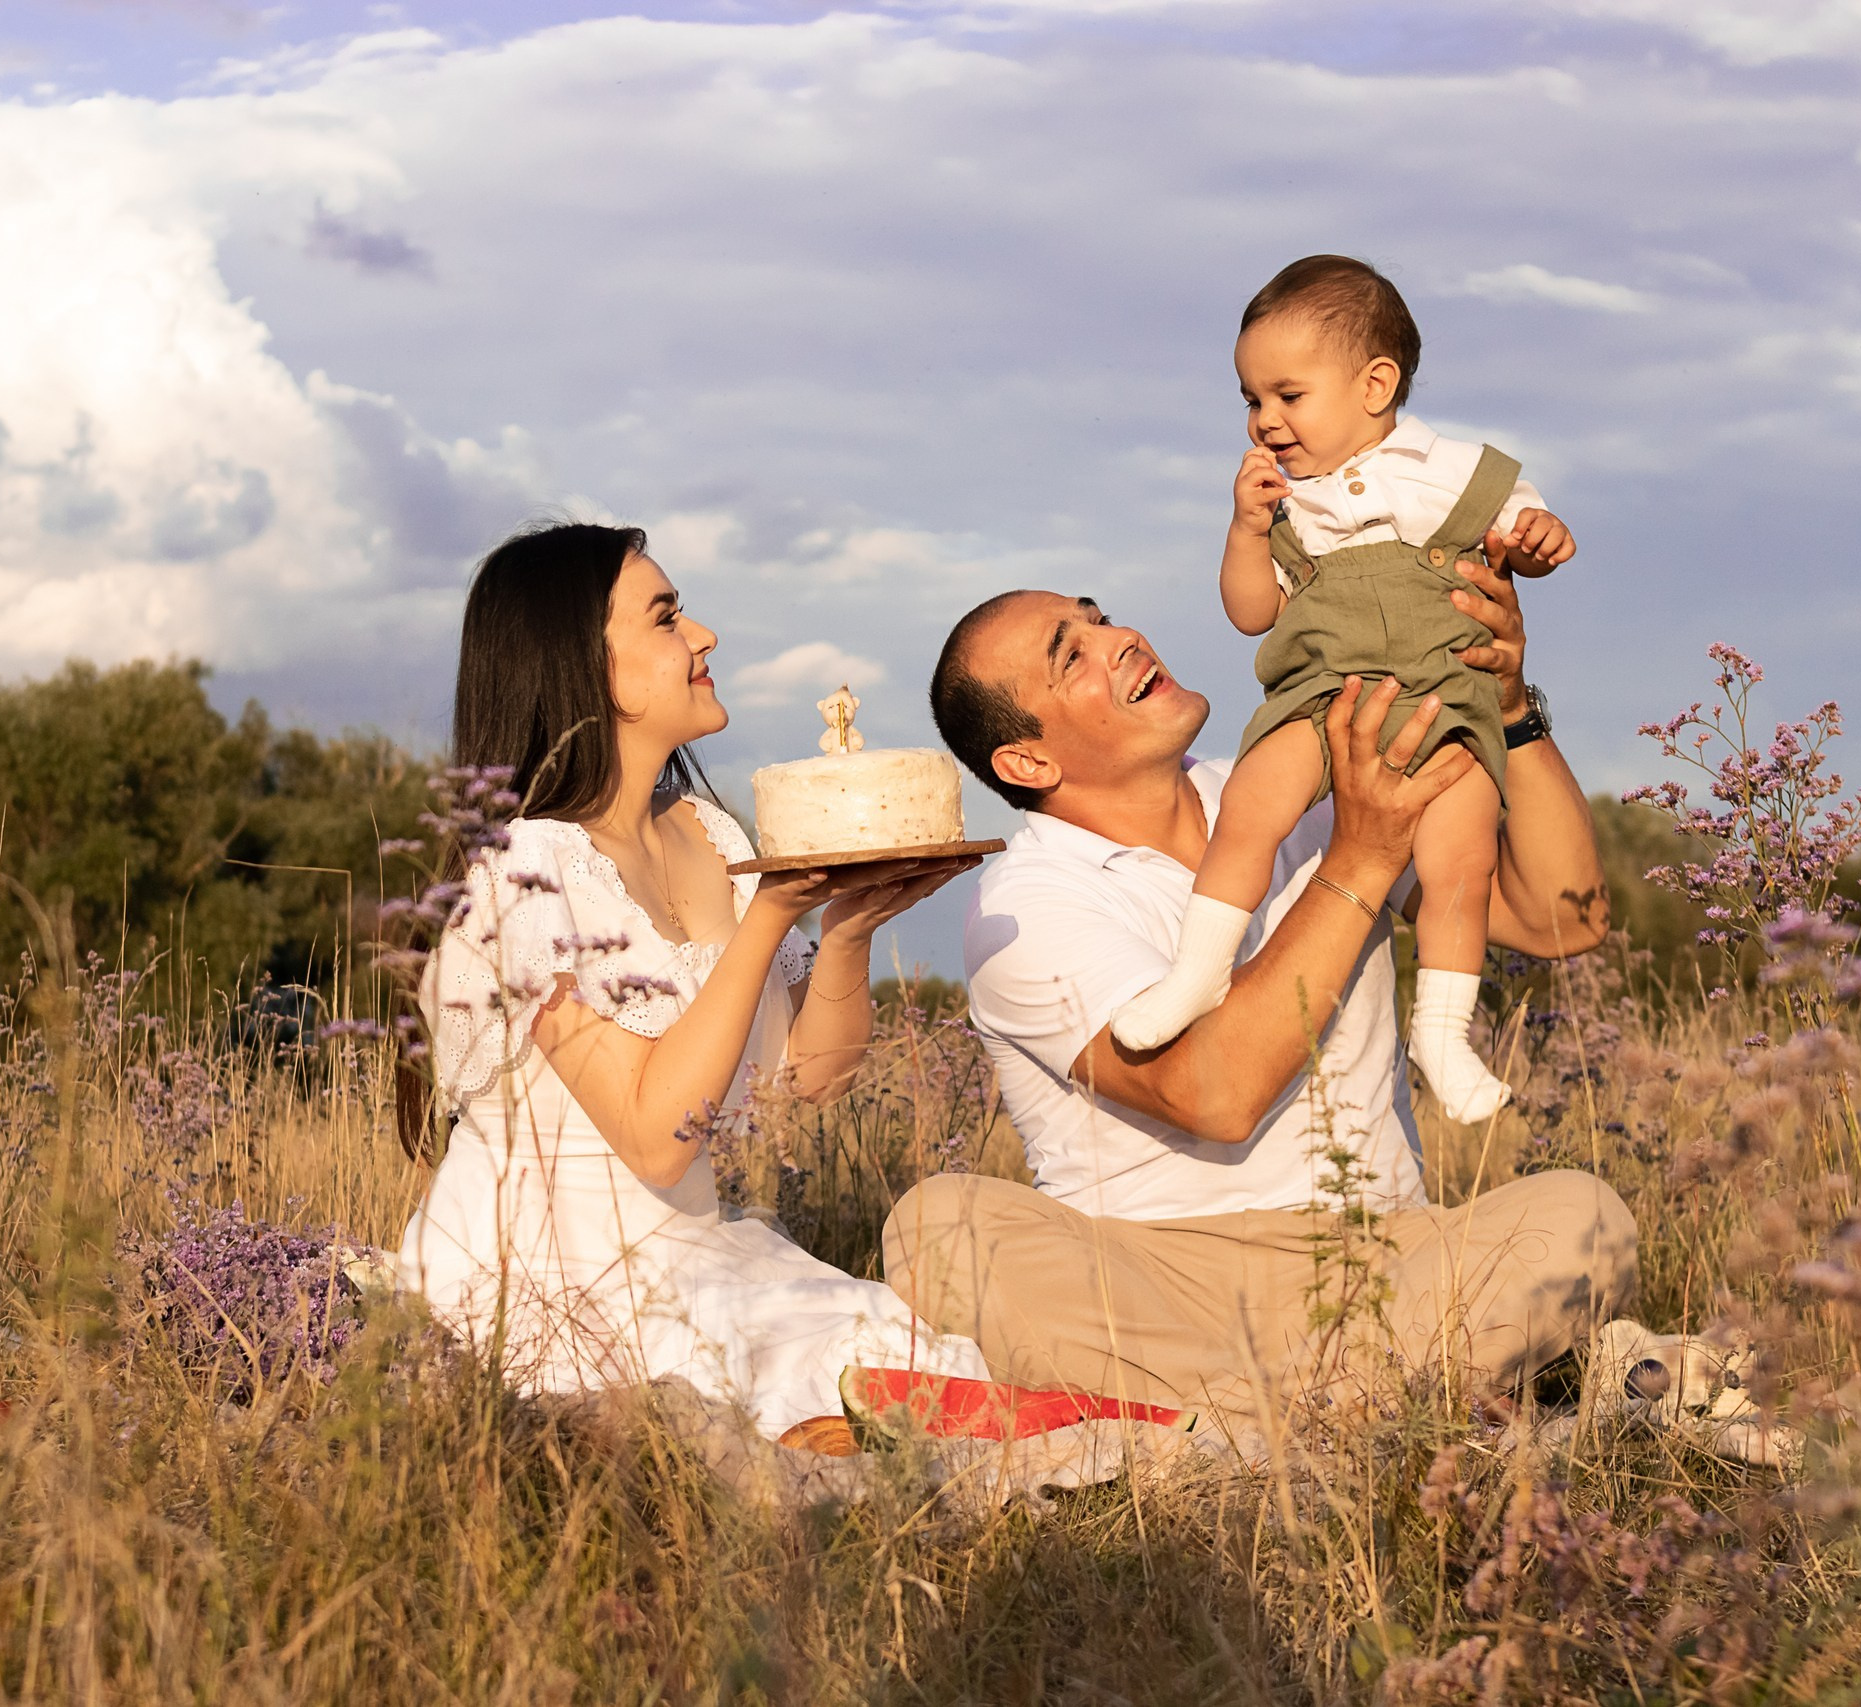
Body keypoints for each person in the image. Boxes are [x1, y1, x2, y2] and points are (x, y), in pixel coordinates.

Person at [396, 521, 1193, 1452]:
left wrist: (847, 928)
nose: (703, 638)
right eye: (666, 618)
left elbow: (809, 1076)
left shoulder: (708, 836)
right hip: (553, 1277)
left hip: (702, 1253)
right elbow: (656, 1138)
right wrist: (770, 916)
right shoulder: (516, 877)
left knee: (905, 1365)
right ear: (589, 666)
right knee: (781, 1410)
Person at [884, 549, 1637, 1443]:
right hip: (1154, 1278)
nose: (1119, 640)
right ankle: (1376, 1403)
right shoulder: (1025, 905)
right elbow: (1213, 1094)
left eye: (1101, 617)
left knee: (1586, 1218)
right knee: (939, 1228)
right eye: (1071, 654)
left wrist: (1511, 713)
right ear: (1028, 758)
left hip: (1380, 1259)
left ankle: (1235, 1420)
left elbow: (1562, 920)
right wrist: (1359, 857)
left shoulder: (1297, 779)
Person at [1110, 255, 1577, 1125]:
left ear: (1375, 384)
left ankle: (1442, 1031)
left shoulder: (1457, 471)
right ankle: (1199, 970)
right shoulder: (1290, 508)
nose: (1266, 422)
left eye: (1288, 395)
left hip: (1448, 700)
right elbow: (1251, 615)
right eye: (1250, 400)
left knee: (1460, 866)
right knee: (1249, 804)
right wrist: (1248, 530)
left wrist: (1537, 540)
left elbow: (1521, 536)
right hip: (1321, 696)